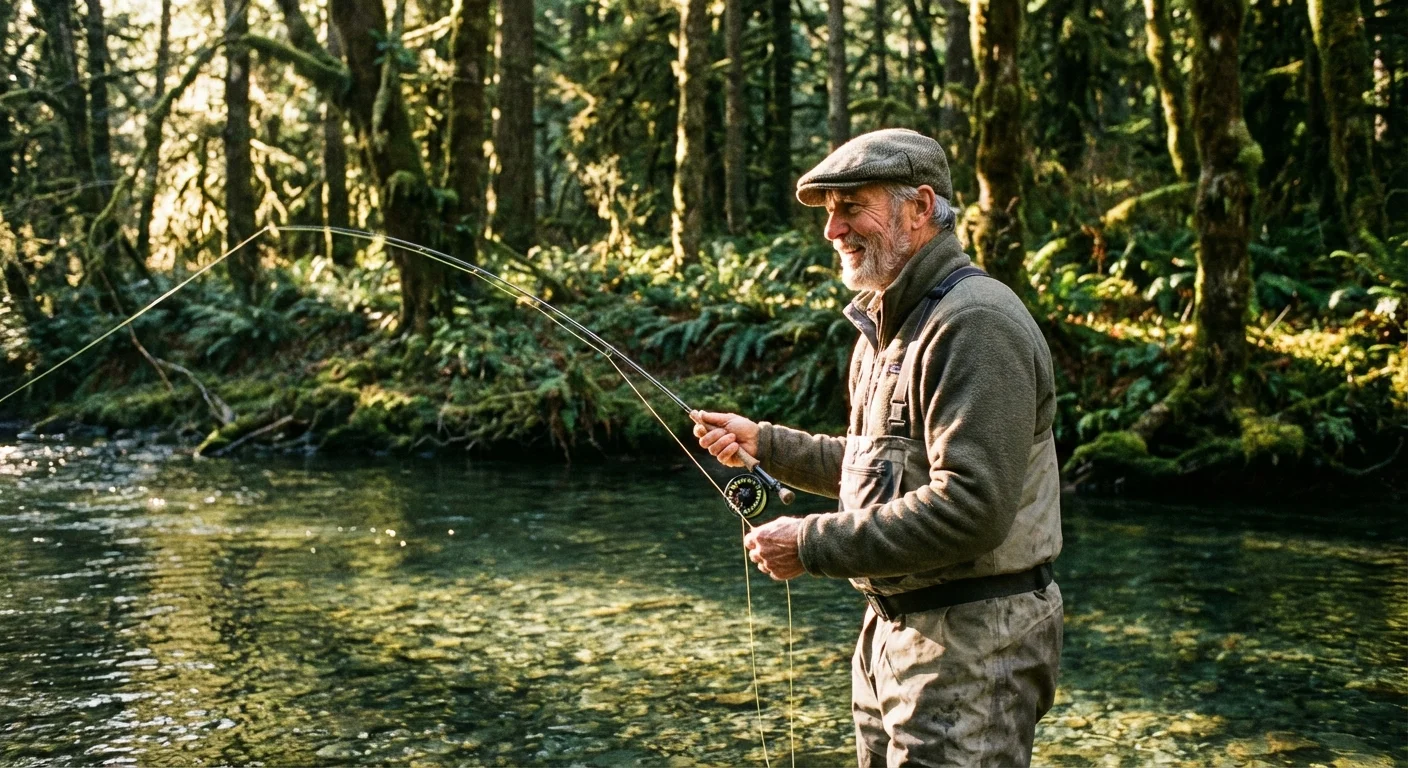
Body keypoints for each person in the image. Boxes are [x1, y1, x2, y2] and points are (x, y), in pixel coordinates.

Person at [693, 128, 1063, 767]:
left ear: (920, 208)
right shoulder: (887, 324)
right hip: (894, 635)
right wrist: (768, 445)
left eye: (850, 206)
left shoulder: (975, 323)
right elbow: (884, 466)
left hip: (972, 643)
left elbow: (971, 507)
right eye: (828, 212)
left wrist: (810, 544)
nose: (832, 229)